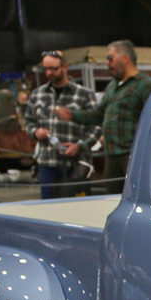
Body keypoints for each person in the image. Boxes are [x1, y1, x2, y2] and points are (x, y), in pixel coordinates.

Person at [57, 39, 151, 192]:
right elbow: (97, 115)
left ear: (125, 58)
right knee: (111, 198)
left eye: (110, 58)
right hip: (111, 154)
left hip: (132, 155)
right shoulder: (112, 86)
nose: (107, 63)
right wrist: (72, 115)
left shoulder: (144, 84)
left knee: (136, 194)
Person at [28, 50, 100, 199]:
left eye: (54, 69)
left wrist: (79, 145)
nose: (49, 73)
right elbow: (29, 121)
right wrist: (36, 132)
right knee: (48, 209)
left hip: (76, 164)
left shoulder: (84, 94)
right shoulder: (37, 94)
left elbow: (97, 125)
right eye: (46, 69)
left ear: (65, 67)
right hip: (47, 162)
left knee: (76, 209)